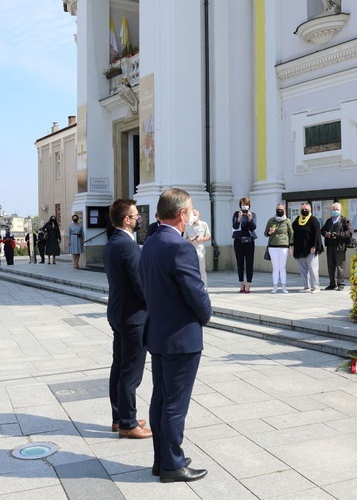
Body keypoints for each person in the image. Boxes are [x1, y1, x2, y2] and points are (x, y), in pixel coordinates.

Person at [139, 188, 211, 483]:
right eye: (190, 211)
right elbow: (196, 293)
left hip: (158, 331)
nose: (191, 215)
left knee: (161, 398)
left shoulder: (152, 242)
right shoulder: (179, 247)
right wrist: (205, 314)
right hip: (181, 336)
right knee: (174, 404)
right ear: (182, 214)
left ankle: (162, 458)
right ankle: (172, 464)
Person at [103, 199, 150, 439]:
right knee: (131, 372)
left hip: (118, 312)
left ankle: (119, 417)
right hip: (133, 316)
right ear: (126, 220)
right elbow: (139, 283)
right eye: (135, 215)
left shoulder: (113, 242)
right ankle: (129, 423)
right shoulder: (128, 246)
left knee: (119, 367)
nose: (138, 218)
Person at [321, 202, 354, 291]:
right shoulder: (329, 221)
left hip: (340, 247)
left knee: (340, 266)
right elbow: (322, 230)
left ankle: (341, 283)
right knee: (330, 266)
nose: (335, 211)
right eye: (334, 209)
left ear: (340, 210)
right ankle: (332, 283)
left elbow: (350, 232)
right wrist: (326, 234)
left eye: (337, 209)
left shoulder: (345, 220)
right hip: (330, 246)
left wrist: (338, 235)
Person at [292, 202, 323, 293]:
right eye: (303, 209)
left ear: (310, 210)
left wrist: (314, 246)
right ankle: (306, 286)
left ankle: (316, 287)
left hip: (310, 249)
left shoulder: (314, 220)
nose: (304, 211)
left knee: (313, 268)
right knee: (303, 269)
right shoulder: (297, 220)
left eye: (306, 209)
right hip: (300, 249)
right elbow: (293, 232)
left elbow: (317, 234)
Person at [264, 203, 294, 294]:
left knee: (282, 267)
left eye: (281, 209)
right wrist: (270, 232)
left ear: (284, 210)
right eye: (278, 209)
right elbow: (265, 234)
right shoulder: (271, 220)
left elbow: (291, 233)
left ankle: (284, 286)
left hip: (283, 246)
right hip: (273, 246)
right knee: (275, 267)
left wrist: (291, 245)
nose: (279, 211)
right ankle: (275, 286)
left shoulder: (287, 221)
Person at [232, 197, 257, 293]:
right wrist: (238, 218)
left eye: (246, 204)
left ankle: (249, 284)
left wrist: (250, 219)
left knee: (249, 263)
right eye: (243, 204)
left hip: (249, 241)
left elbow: (254, 227)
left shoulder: (253, 214)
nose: (244, 206)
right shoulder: (236, 214)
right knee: (240, 262)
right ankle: (241, 283)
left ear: (249, 205)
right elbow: (234, 226)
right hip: (239, 241)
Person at [184, 209, 211, 289]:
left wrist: (201, 239)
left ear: (198, 216)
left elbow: (208, 237)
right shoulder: (188, 225)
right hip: (190, 251)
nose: (194, 217)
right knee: (191, 270)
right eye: (193, 215)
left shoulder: (203, 224)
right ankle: (193, 287)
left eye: (195, 215)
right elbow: (184, 238)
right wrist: (189, 240)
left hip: (200, 250)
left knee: (201, 269)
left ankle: (204, 287)